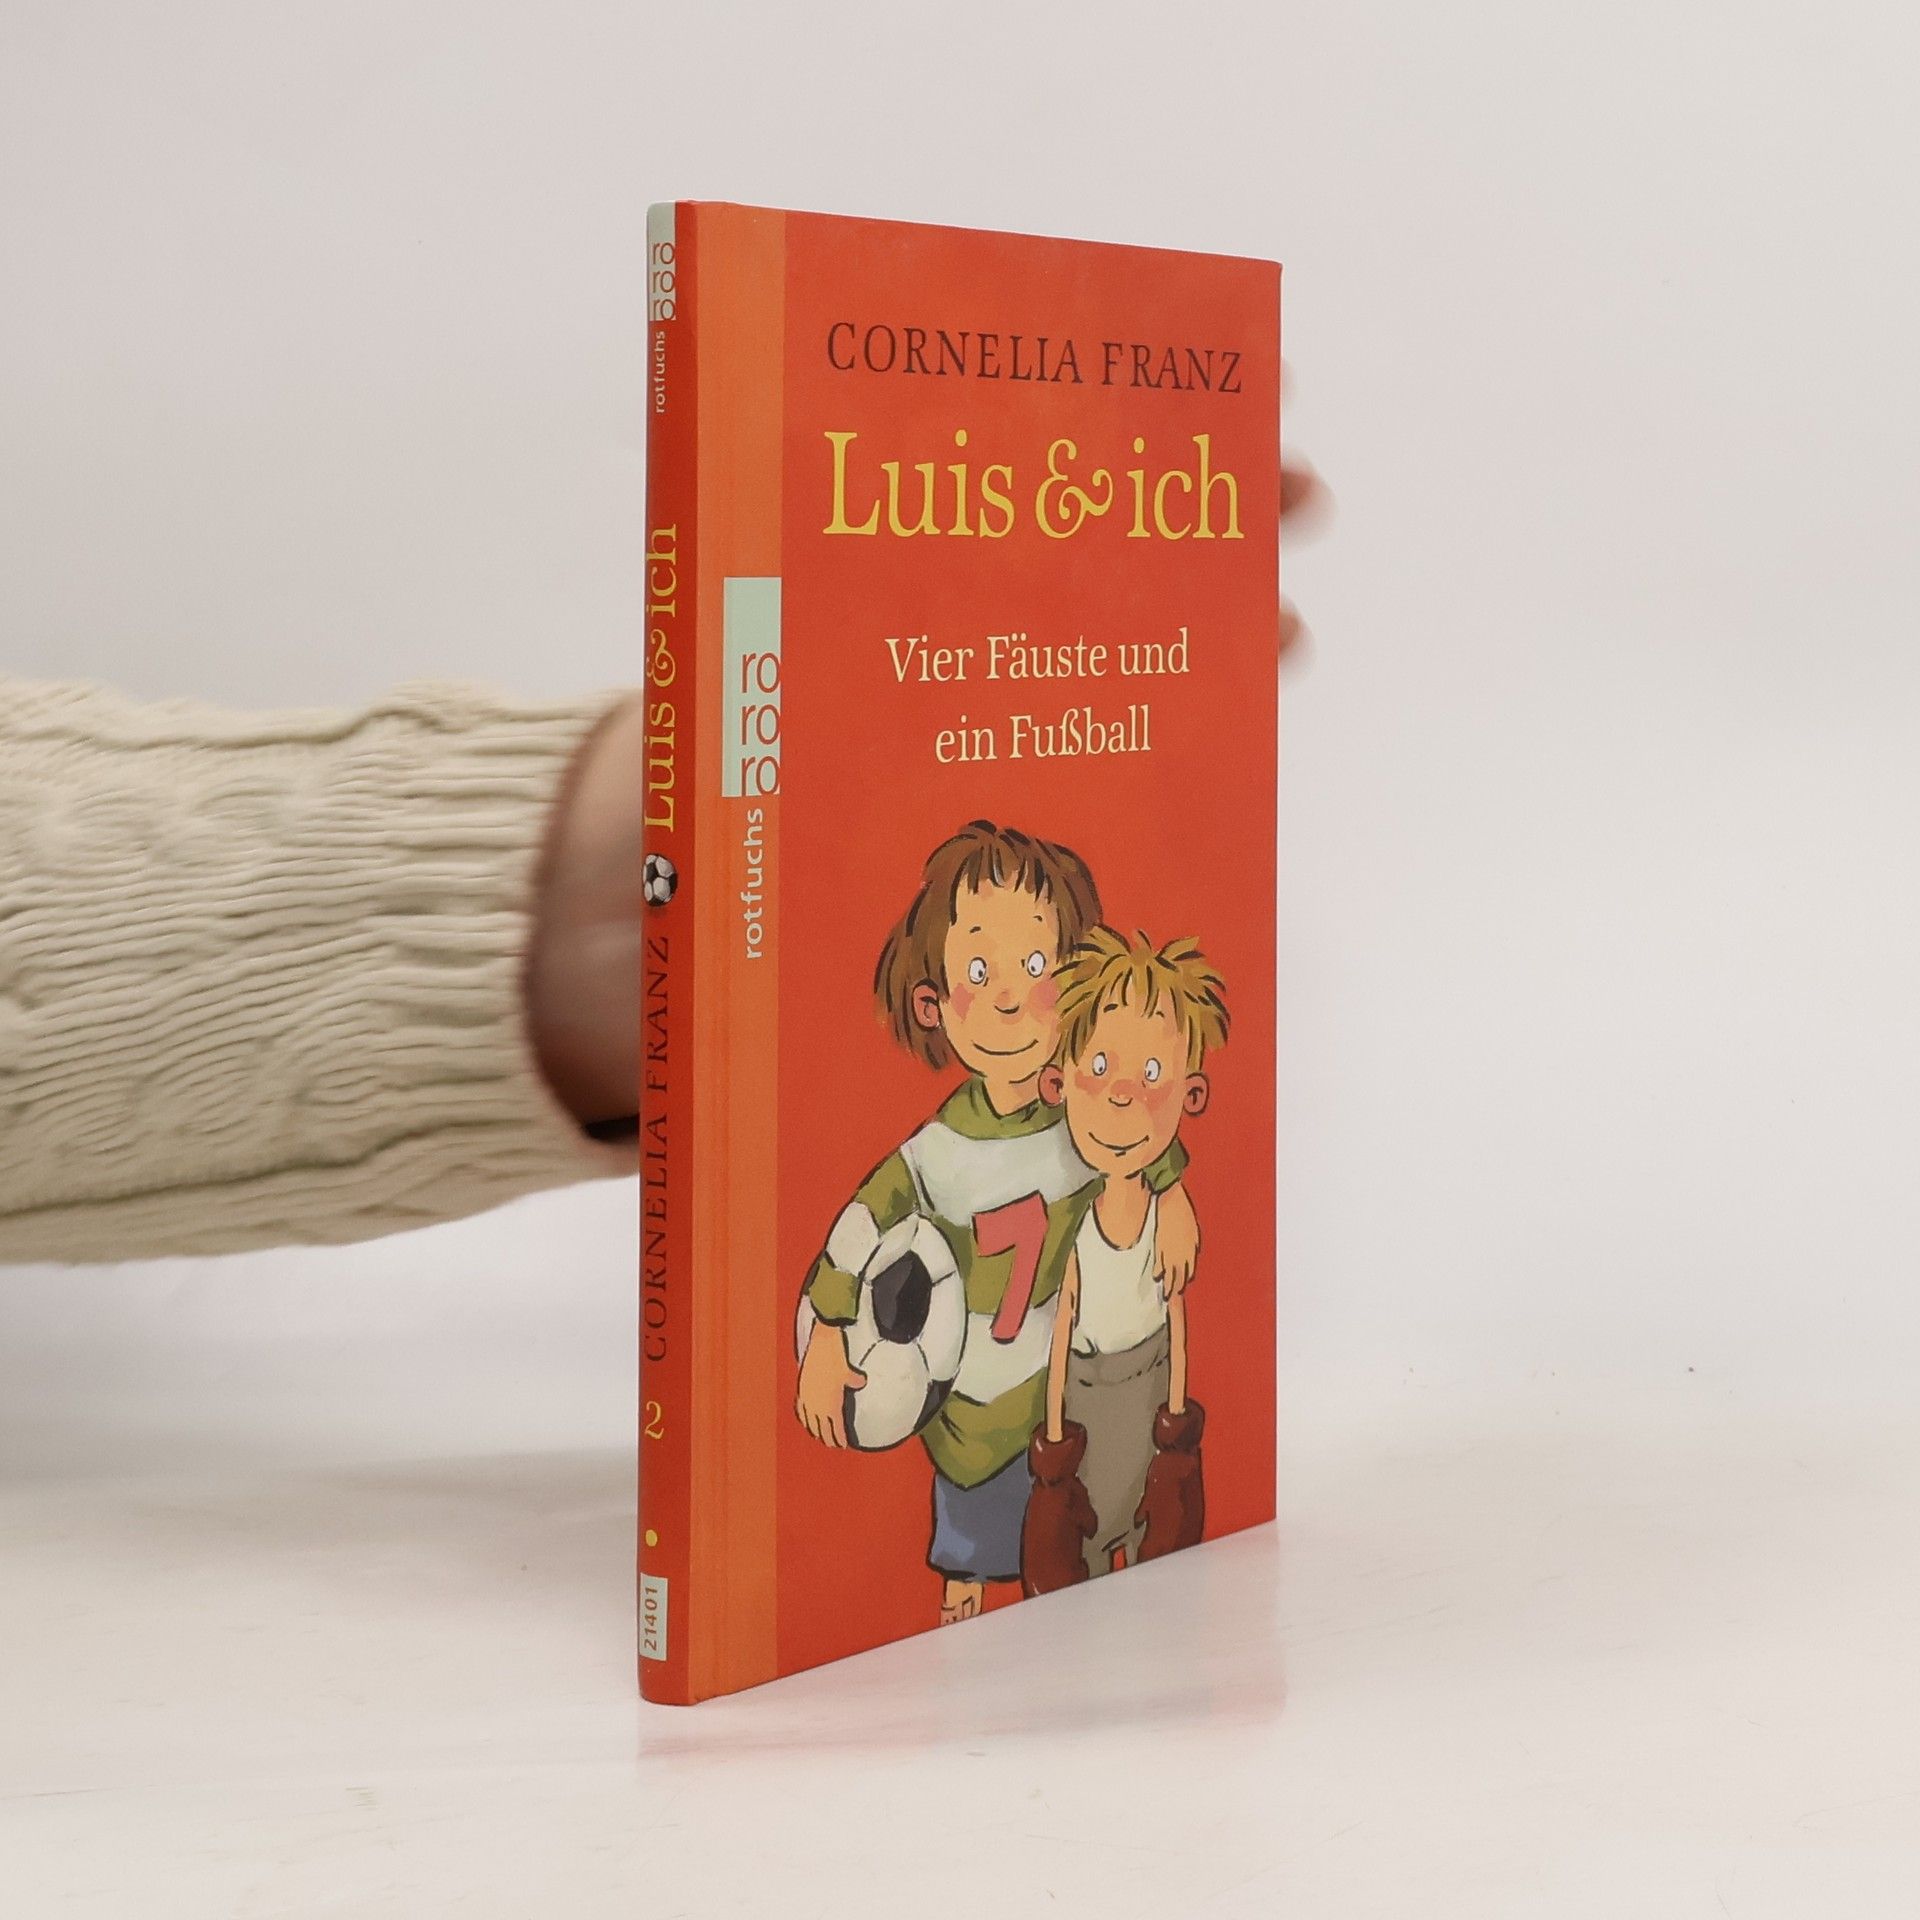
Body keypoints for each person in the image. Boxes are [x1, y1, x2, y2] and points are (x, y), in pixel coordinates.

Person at [1022, 928, 1229, 1593]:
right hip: (1086, 1392)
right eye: (1101, 1068)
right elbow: (1062, 1325)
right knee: (1081, 1546)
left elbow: (1177, 1313)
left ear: (1190, 1094)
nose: (1121, 1096)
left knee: (1157, 1545)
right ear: (1058, 1083)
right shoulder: (1071, 1215)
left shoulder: (1168, 1215)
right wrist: (1054, 1448)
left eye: (1151, 1077)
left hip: (1151, 1384)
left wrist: (1177, 1430)